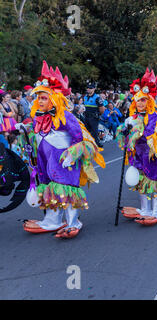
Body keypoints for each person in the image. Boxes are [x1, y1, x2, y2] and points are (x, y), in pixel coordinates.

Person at [16, 60, 105, 239]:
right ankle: (52, 220)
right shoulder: (37, 116)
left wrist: (72, 155)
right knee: (49, 188)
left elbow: (78, 137)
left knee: (66, 189)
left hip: (62, 158)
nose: (39, 101)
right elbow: (36, 133)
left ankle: (73, 222)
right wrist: (25, 130)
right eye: (38, 97)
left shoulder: (65, 116)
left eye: (43, 97)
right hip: (45, 159)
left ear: (53, 99)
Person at [117, 69, 157, 226]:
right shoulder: (132, 117)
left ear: (149, 101)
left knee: (153, 181)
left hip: (152, 155)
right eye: (137, 100)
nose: (140, 103)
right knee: (141, 181)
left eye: (143, 100)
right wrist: (124, 131)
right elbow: (125, 141)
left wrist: (136, 129)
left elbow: (149, 134)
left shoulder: (152, 116)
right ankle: (145, 209)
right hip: (137, 155)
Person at [83, 83, 104, 147]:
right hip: (86, 117)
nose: (88, 89)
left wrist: (97, 115)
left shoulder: (97, 98)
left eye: (90, 88)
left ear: (94, 89)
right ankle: (88, 145)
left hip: (94, 118)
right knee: (87, 132)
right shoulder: (85, 97)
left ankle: (96, 144)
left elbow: (102, 109)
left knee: (94, 132)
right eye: (88, 88)